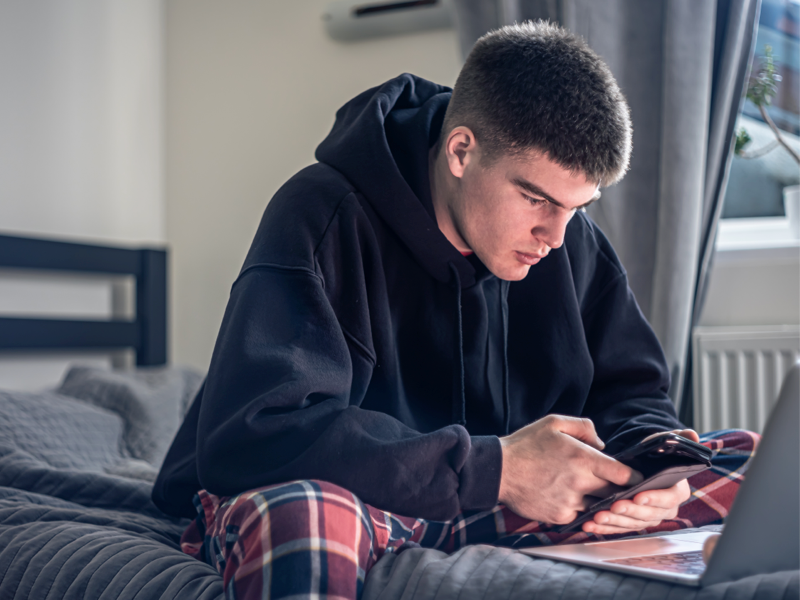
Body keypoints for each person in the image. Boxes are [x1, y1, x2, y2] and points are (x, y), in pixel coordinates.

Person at [153, 20, 756, 600]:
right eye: (537, 198)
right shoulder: (321, 214)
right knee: (300, 514)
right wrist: (497, 469)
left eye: (578, 206)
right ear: (461, 151)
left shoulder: (569, 238)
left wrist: (651, 472)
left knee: (754, 462)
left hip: (515, 505)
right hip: (371, 504)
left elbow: (634, 393)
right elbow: (254, 436)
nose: (555, 234)